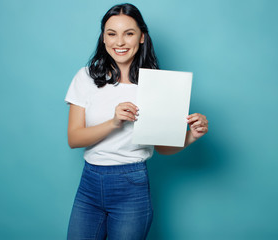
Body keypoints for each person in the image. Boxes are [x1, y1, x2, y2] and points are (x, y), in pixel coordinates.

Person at [64, 3, 208, 240]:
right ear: (103, 38)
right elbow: (74, 138)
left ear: (141, 37)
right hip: (89, 184)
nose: (119, 42)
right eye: (112, 34)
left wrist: (191, 135)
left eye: (128, 33)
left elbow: (163, 147)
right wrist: (113, 122)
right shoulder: (86, 77)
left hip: (132, 187)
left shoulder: (157, 86)